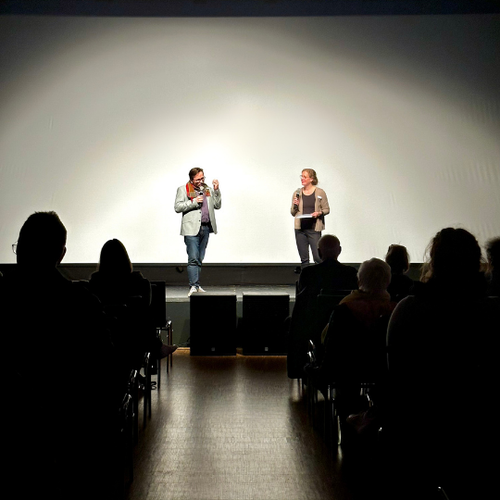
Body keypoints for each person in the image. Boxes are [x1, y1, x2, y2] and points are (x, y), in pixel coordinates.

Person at [0, 211, 119, 500]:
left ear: (20, 246)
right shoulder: (81, 304)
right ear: (61, 254)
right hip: (68, 441)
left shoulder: (3, 299)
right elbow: (105, 373)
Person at [386, 227, 499, 499]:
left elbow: (397, 377)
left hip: (422, 435)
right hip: (482, 435)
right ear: (477, 262)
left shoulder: (409, 310)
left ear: (433, 261)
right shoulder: (492, 313)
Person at [89, 239, 176, 384]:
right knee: (143, 314)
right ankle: (156, 347)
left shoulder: (95, 283)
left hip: (103, 343)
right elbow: (144, 308)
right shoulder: (139, 283)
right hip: (134, 342)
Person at [175, 167, 221, 296]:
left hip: (205, 228)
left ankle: (197, 284)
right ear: (191, 179)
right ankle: (193, 285)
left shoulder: (206, 189)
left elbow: (217, 205)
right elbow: (177, 207)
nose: (201, 181)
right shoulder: (183, 189)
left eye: (202, 178)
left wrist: (216, 191)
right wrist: (194, 202)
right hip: (191, 228)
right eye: (198, 179)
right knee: (193, 258)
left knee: (200, 258)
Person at [297, 234, 357, 299]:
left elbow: (302, 300)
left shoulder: (307, 273)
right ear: (339, 250)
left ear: (319, 252)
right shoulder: (351, 273)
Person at [291, 168, 330, 269]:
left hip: (314, 229)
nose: (302, 179)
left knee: (318, 257)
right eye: (301, 176)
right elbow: (292, 212)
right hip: (300, 229)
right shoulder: (297, 193)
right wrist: (295, 205)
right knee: (304, 260)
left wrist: (319, 213)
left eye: (305, 177)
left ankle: (320, 281)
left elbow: (326, 209)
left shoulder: (320, 192)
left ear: (311, 179)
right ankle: (306, 283)